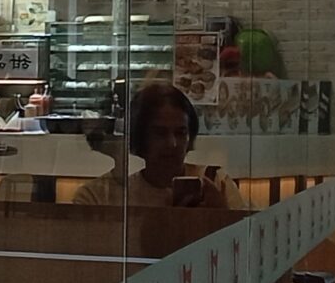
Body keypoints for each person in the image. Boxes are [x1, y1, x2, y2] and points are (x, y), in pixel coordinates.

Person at [73, 80, 245, 208]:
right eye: (160, 134)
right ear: (140, 137)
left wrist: (220, 215)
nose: (172, 144)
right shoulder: (97, 197)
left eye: (181, 133)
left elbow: (245, 248)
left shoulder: (216, 182)